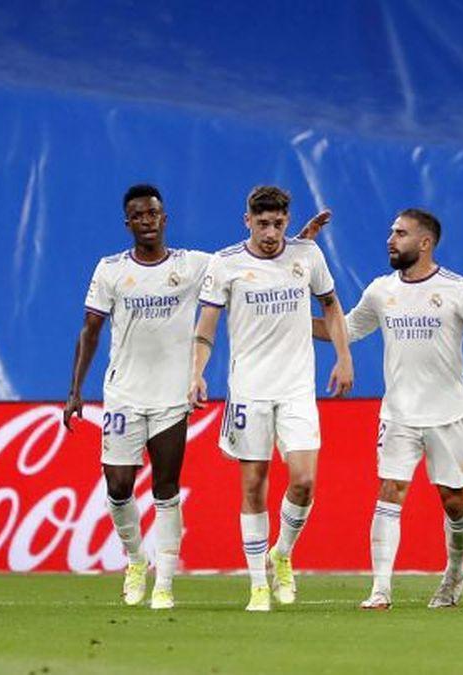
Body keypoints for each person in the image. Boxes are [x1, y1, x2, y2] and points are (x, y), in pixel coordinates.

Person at [64, 184, 328, 610]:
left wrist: (300, 245)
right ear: (128, 222)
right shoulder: (110, 269)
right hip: (123, 394)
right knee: (118, 485)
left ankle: (164, 584)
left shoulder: (195, 265)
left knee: (166, 488)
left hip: (172, 394)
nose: (147, 221)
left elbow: (258, 260)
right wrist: (76, 389)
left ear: (164, 218)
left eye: (154, 214)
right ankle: (135, 560)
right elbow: (90, 330)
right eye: (138, 215)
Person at [313, 208, 463, 611]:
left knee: (453, 501)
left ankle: (454, 574)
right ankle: (380, 589)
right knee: (389, 491)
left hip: (449, 413)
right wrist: (287, 320)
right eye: (392, 232)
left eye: (401, 233)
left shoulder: (459, 289)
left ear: (425, 243)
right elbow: (347, 329)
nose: (391, 239)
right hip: (398, 414)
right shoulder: (380, 291)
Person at [189, 185, 352, 612]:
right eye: (262, 223)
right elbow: (205, 328)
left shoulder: (307, 255)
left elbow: (331, 307)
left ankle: (281, 552)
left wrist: (343, 356)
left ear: (286, 220)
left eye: (278, 223)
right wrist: (196, 373)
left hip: (297, 387)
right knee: (253, 484)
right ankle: (258, 584)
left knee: (303, 480)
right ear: (247, 221)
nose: (270, 231)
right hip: (250, 390)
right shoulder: (225, 264)